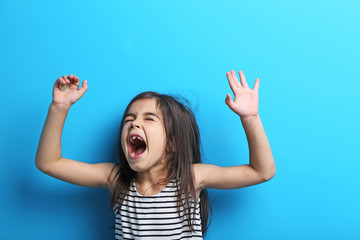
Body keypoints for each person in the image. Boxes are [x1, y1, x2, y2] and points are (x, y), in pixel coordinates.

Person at [35, 70, 276, 239]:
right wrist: (59, 107)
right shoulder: (116, 179)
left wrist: (250, 118)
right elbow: (49, 163)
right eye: (129, 120)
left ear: (172, 143)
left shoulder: (191, 178)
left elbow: (261, 171)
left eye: (148, 119)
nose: (133, 124)